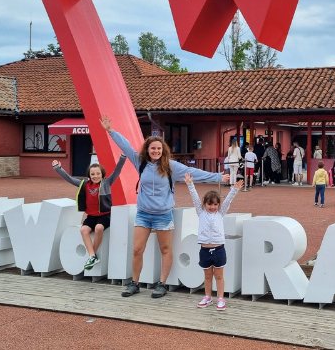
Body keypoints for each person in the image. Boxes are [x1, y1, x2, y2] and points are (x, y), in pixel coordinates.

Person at [100, 114, 229, 299]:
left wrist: (217, 177)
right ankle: (134, 283)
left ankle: (162, 284)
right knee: (137, 249)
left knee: (165, 249)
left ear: (163, 150)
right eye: (153, 148)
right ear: (148, 149)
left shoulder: (171, 167)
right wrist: (110, 131)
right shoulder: (140, 162)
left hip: (163, 214)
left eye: (159, 148)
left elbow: (193, 172)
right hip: (143, 213)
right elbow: (126, 146)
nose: (156, 151)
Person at [52, 155, 126, 270]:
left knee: (98, 228)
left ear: (102, 174)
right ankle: (92, 256)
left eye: (98, 173)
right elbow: (69, 178)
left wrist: (122, 157)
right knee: (83, 230)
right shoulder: (84, 184)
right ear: (89, 175)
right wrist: (58, 168)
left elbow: (117, 170)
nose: (95, 176)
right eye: (92, 174)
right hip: (91, 216)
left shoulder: (107, 183)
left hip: (105, 215)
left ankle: (92, 255)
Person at [184, 172, 242, 310]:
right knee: (208, 275)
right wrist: (190, 184)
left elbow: (227, 201)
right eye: (210, 204)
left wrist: (234, 189)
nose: (213, 207)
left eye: (215, 204)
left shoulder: (220, 213)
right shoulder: (201, 212)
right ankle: (208, 297)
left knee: (219, 275)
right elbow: (195, 198)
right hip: (204, 250)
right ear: (205, 204)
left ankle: (221, 298)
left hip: (218, 249)